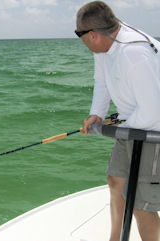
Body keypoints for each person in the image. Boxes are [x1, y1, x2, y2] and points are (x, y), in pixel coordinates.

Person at [75, 1, 160, 241]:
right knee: (116, 182)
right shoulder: (104, 45)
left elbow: (154, 111)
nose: (83, 44)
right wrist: (97, 113)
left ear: (92, 35)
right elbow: (102, 81)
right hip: (131, 125)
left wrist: (121, 127)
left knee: (141, 203)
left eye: (81, 37)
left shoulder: (134, 54)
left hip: (153, 129)